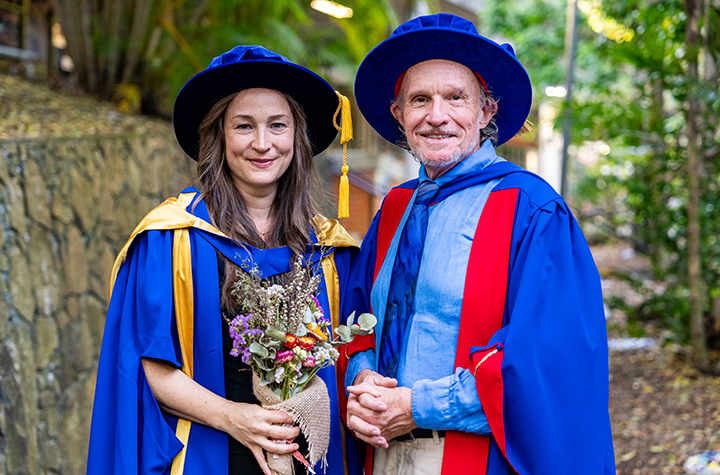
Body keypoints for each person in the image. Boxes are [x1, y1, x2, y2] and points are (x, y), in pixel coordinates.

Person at [341, 13, 616, 475]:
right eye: (420, 99)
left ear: (487, 111)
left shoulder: (530, 209)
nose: (436, 116)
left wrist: (417, 405)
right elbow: (357, 313)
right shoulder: (394, 207)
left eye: (455, 98)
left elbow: (544, 357)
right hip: (382, 452)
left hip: (477, 457)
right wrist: (363, 378)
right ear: (398, 114)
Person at [86, 45, 362, 475]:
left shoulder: (326, 249)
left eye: (277, 125)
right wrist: (235, 418)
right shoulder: (172, 237)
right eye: (244, 126)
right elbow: (151, 364)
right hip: (206, 454)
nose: (262, 143)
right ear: (218, 135)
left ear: (297, 137)